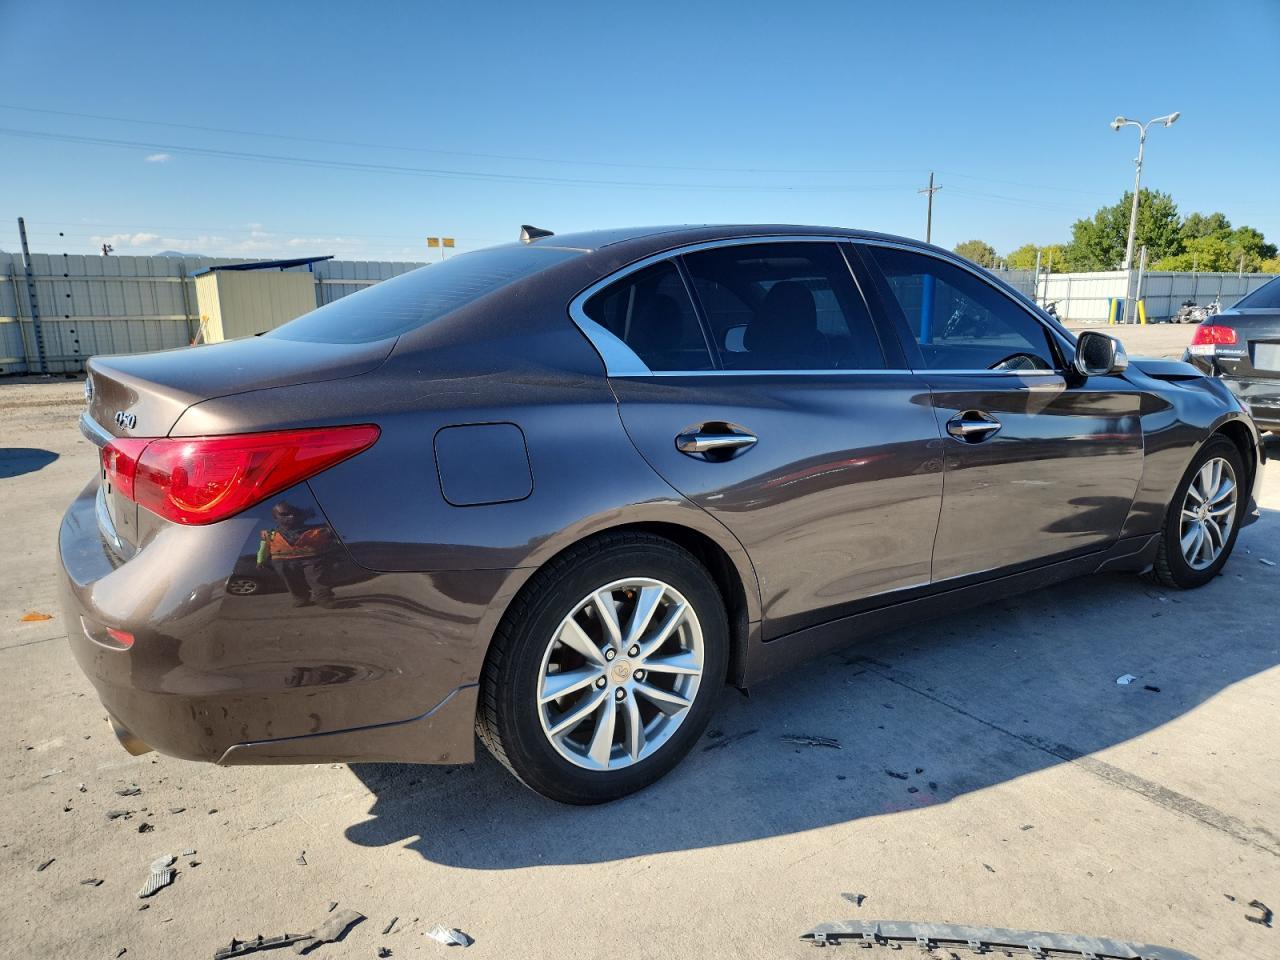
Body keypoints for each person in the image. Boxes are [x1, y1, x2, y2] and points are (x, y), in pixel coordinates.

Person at [256, 502, 336, 608]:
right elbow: (264, 548)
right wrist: (260, 560)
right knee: (292, 581)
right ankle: (300, 598)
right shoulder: (270, 534)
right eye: (284, 514)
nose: (291, 516)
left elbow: (330, 540)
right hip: (282, 561)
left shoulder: (316, 529)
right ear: (275, 518)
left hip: (311, 558)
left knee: (317, 579)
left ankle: (324, 598)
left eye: (294, 513)